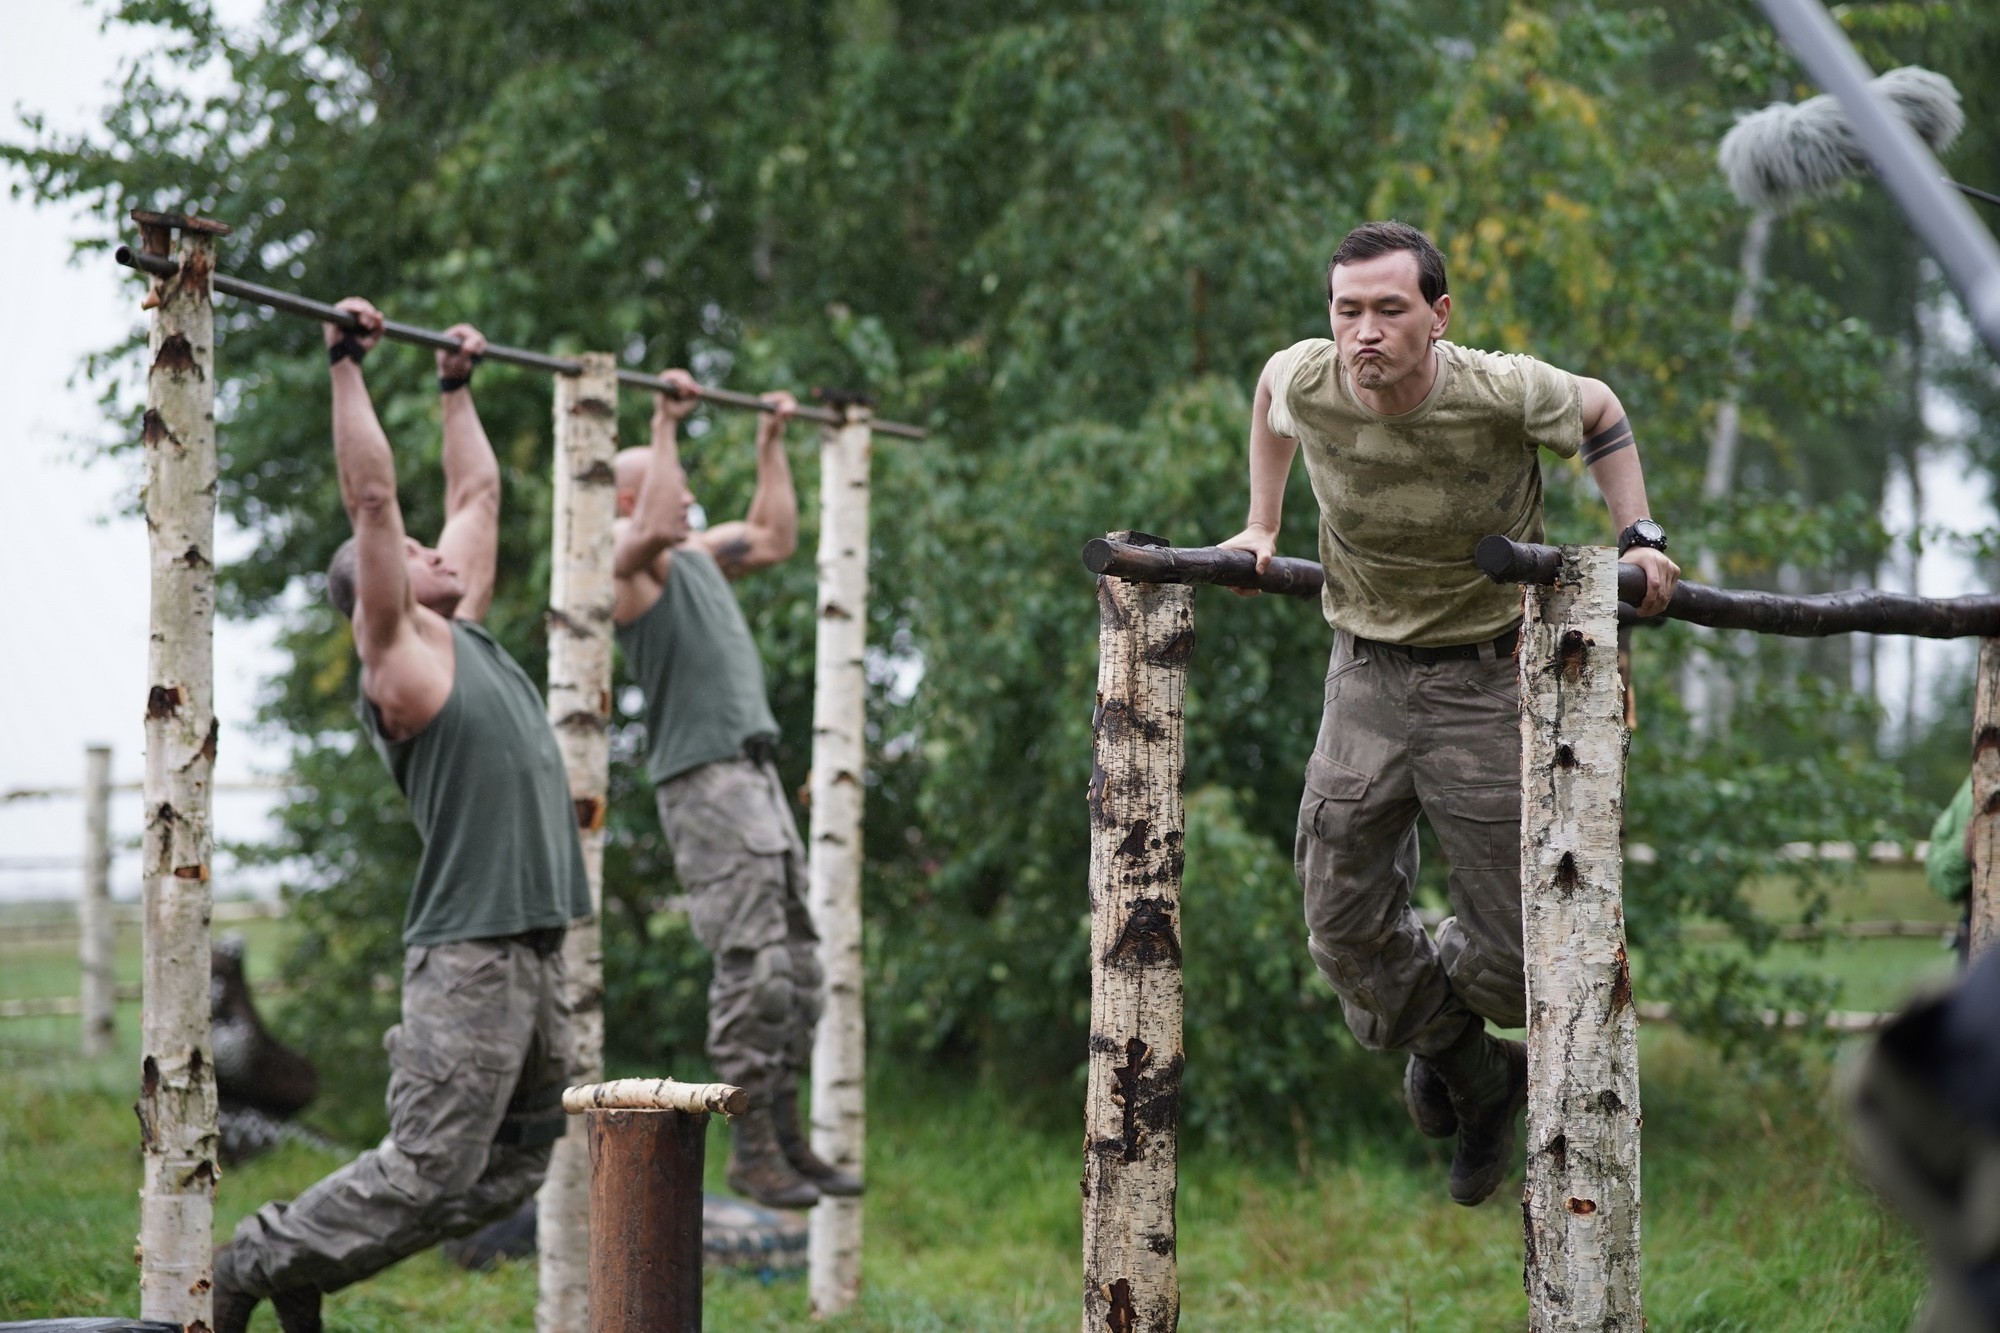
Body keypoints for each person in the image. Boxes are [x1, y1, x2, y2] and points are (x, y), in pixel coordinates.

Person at [1218, 220, 1679, 1207]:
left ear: (1435, 315)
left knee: (1522, 960)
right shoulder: (1308, 380)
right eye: (1347, 311)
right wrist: (1260, 522)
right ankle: (1474, 1072)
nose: (1364, 332)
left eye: (1388, 309)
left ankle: (1465, 1044)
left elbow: (1598, 409)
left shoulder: (1494, 390)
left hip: (1484, 675)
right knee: (1339, 927)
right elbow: (1266, 394)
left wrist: (1636, 536)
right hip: (1365, 678)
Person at [214, 300, 592, 1332]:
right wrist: (346, 363)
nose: (440, 548)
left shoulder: (461, 630)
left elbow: (476, 487)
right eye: (420, 550)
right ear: (382, 587)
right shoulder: (401, 660)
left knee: (512, 1164)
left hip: (534, 950)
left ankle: (303, 1258)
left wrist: (454, 383)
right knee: (429, 1169)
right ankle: (253, 1258)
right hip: (468, 953)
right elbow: (374, 502)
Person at [611, 369, 861, 1208]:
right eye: (670, 491)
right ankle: (751, 1148)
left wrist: (769, 445)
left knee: (800, 967)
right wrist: (662, 421)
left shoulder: (699, 556)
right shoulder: (627, 567)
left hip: (751, 778)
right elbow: (645, 524)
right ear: (631, 501)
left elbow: (776, 533)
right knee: (754, 967)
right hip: (706, 784)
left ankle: (784, 1139)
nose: (686, 501)